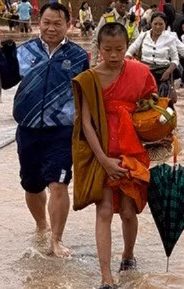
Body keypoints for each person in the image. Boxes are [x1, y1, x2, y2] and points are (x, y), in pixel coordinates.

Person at [0, 2, 89, 258]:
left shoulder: (78, 57)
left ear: (69, 24)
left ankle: (56, 240)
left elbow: (90, 96)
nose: (51, 28)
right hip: (28, 129)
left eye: (57, 23)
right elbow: (8, 80)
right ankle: (41, 225)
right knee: (32, 186)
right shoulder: (27, 51)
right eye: (46, 22)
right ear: (38, 23)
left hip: (62, 131)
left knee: (59, 183)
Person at [72, 22, 156, 289]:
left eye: (119, 49)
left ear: (126, 46)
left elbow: (153, 108)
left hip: (132, 153)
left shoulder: (140, 73)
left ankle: (128, 255)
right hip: (103, 153)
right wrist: (104, 161)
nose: (113, 55)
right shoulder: (90, 79)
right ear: (99, 48)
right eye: (107, 49)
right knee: (105, 210)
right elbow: (85, 123)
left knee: (129, 211)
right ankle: (106, 277)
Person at [126, 12, 184, 107]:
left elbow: (178, 56)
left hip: (163, 75)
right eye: (155, 24)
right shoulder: (143, 35)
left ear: (165, 24)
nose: (158, 27)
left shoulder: (171, 37)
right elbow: (131, 50)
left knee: (161, 104)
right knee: (143, 102)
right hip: (145, 74)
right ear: (151, 23)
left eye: (161, 24)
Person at [91, 0, 139, 64]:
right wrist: (93, 64)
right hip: (109, 59)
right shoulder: (106, 18)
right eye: (121, 2)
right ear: (115, 2)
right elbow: (96, 41)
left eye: (126, 3)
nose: (124, 5)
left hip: (126, 60)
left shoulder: (131, 20)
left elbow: (136, 42)